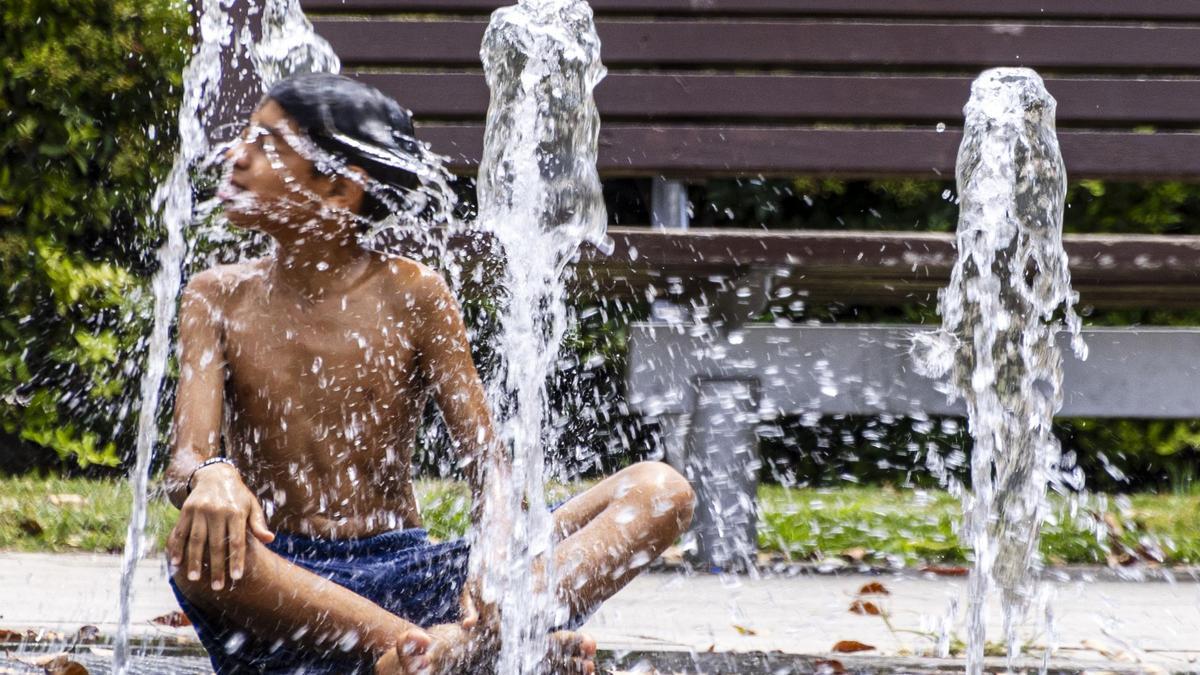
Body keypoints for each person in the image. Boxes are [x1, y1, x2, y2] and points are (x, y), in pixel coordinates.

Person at [163, 72, 695, 675]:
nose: (234, 155)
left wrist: (496, 544)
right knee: (194, 556)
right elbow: (185, 461)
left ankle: (431, 655)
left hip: (410, 571)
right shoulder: (216, 297)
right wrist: (212, 476)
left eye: (265, 142)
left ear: (339, 188)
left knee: (660, 491)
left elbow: (487, 460)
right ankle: (463, 653)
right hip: (286, 588)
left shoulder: (414, 294)